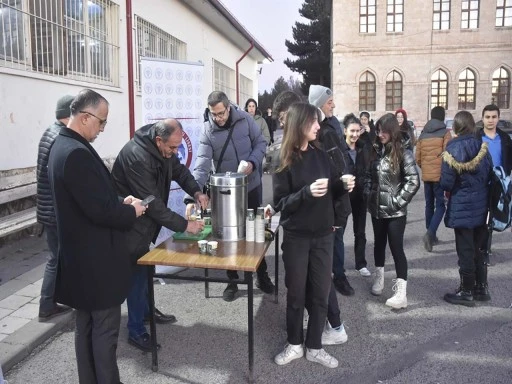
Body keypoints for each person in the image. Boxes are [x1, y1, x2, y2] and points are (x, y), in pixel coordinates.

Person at [48, 89, 146, 383]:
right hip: (96, 266)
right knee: (104, 336)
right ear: (86, 117)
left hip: (82, 263)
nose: (103, 129)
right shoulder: (76, 153)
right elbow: (98, 213)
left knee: (86, 331)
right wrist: (133, 212)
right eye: (101, 122)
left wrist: (118, 202)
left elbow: (90, 201)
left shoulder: (62, 145)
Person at [112, 119, 207, 352]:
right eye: (172, 148)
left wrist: (196, 190)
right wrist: (185, 225)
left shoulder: (164, 149)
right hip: (129, 221)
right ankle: (135, 330)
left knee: (145, 270)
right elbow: (152, 204)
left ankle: (146, 311)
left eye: (177, 148)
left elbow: (180, 171)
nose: (175, 152)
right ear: (158, 140)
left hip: (144, 218)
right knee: (136, 274)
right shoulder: (137, 156)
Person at [271, 90, 349, 347]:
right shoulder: (283, 159)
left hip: (323, 234)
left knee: (320, 293)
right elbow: (282, 203)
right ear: (300, 124)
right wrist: (305, 193)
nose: (319, 125)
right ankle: (294, 343)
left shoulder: (321, 154)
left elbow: (330, 190)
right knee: (296, 293)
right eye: (314, 122)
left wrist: (342, 186)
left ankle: (316, 344)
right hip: (297, 236)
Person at [184, 91, 273, 302]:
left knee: (255, 233)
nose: (218, 118)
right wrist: (192, 196)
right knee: (227, 236)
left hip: (251, 186)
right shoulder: (208, 131)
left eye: (221, 113)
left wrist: (252, 163)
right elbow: (202, 164)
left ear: (229, 107)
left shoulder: (246, 120)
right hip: (226, 192)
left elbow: (261, 144)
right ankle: (232, 280)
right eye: (214, 114)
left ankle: (262, 274)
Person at [365, 113, 420, 309]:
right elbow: (368, 177)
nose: (380, 134)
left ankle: (401, 293)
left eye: (383, 131)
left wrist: (397, 202)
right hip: (376, 209)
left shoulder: (403, 152)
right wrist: (368, 195)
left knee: (396, 249)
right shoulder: (375, 151)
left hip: (395, 212)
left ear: (392, 131)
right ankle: (379, 278)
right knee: (378, 245)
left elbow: (414, 181)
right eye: (378, 130)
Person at [440, 111, 492, 306]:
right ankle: (481, 287)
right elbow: (489, 175)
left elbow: (446, 182)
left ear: (456, 127)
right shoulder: (482, 146)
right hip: (481, 205)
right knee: (478, 248)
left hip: (462, 205)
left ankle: (467, 290)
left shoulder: (452, 148)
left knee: (465, 250)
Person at [309, 84, 354, 296]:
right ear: (318, 105)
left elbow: (340, 160)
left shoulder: (331, 127)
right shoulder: (319, 132)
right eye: (329, 102)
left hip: (338, 193)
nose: (333, 105)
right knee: (332, 238)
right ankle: (334, 277)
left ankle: (337, 275)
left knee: (337, 237)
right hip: (328, 196)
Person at [36, 95, 75, 321]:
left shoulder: (49, 132)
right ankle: (46, 305)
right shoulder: (59, 136)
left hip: (47, 207)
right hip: (54, 211)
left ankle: (50, 301)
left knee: (56, 257)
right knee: (56, 258)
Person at [476, 104, 512, 264]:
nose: (490, 120)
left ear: (498, 118)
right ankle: (481, 249)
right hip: (481, 183)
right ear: (483, 118)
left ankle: (485, 249)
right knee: (482, 216)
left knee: (493, 217)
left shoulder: (505, 138)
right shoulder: (476, 137)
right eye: (487, 117)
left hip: (499, 183)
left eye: (494, 117)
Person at [415, 106, 451, 252]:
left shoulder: (423, 134)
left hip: (427, 175)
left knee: (429, 204)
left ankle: (432, 235)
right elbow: (447, 156)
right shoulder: (445, 133)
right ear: (442, 117)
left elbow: (417, 157)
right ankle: (430, 233)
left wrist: (426, 168)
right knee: (441, 206)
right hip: (439, 176)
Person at [343, 113, 372, 276]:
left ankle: (361, 263)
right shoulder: (340, 150)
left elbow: (369, 168)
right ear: (345, 131)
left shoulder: (364, 147)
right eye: (351, 131)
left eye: (357, 131)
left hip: (360, 195)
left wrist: (367, 188)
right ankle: (336, 266)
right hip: (344, 195)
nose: (354, 135)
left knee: (360, 231)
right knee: (339, 231)